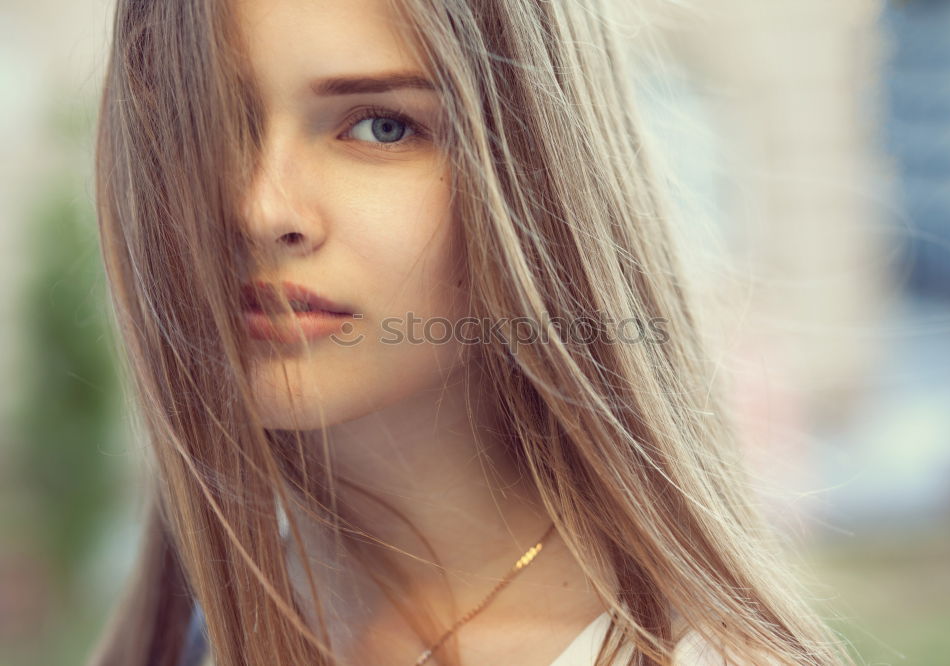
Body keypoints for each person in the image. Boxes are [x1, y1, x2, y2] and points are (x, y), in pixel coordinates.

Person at [86, 0, 853, 664]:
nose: (259, 209)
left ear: (541, 175)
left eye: (382, 127)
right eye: (202, 123)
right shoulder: (192, 630)